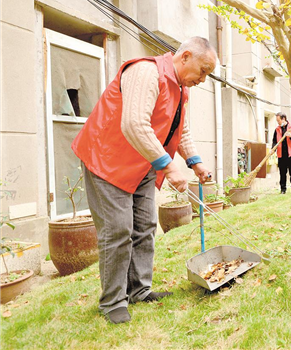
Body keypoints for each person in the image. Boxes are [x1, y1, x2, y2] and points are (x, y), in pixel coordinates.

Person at [72, 37, 216, 324]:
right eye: (202, 70)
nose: (203, 78)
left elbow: (180, 129)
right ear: (185, 57)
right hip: (107, 160)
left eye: (207, 74)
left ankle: (139, 289)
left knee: (145, 225)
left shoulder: (181, 88)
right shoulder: (146, 72)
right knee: (117, 231)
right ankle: (113, 301)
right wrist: (169, 167)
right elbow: (134, 124)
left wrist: (194, 162)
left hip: (141, 164)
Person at [272, 112, 291, 194]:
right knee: (282, 174)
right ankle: (283, 190)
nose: (278, 122)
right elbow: (274, 141)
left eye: (278, 120)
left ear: (283, 119)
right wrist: (273, 149)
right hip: (282, 155)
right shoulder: (277, 129)